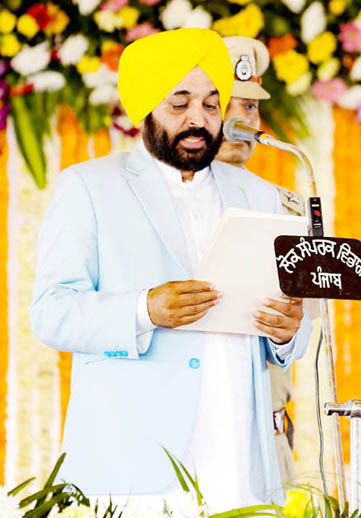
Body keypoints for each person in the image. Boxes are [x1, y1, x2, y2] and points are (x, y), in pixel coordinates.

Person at [30, 28, 311, 511]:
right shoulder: (89, 187)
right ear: (145, 107)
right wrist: (144, 310)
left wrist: (288, 332)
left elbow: (297, 328)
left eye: (210, 103)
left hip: (239, 460)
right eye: (179, 104)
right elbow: (51, 313)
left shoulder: (262, 194)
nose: (198, 120)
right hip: (132, 464)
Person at [216, 35, 302, 487]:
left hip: (267, 448)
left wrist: (289, 335)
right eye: (227, 104)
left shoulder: (285, 208)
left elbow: (304, 338)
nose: (241, 120)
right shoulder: (161, 205)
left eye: (250, 107)